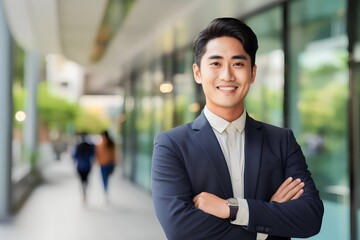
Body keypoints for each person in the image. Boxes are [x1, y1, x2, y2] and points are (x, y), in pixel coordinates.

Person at [151, 17, 324, 240]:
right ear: (197, 73)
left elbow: (310, 218)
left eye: (238, 63)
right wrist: (264, 226)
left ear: (252, 73)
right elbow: (180, 230)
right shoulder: (172, 145)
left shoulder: (281, 140)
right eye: (215, 63)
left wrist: (233, 209)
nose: (227, 75)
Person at [72, 132, 95, 202]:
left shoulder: (78, 146)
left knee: (82, 181)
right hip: (87, 166)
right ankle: (85, 192)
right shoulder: (89, 146)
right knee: (86, 180)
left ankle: (83, 193)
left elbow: (74, 157)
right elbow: (93, 155)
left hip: (80, 166)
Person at [95, 130, 116, 200]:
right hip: (108, 164)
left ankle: (106, 191)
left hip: (104, 164)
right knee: (106, 179)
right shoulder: (111, 143)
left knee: (104, 179)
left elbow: (98, 154)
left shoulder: (102, 144)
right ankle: (106, 191)